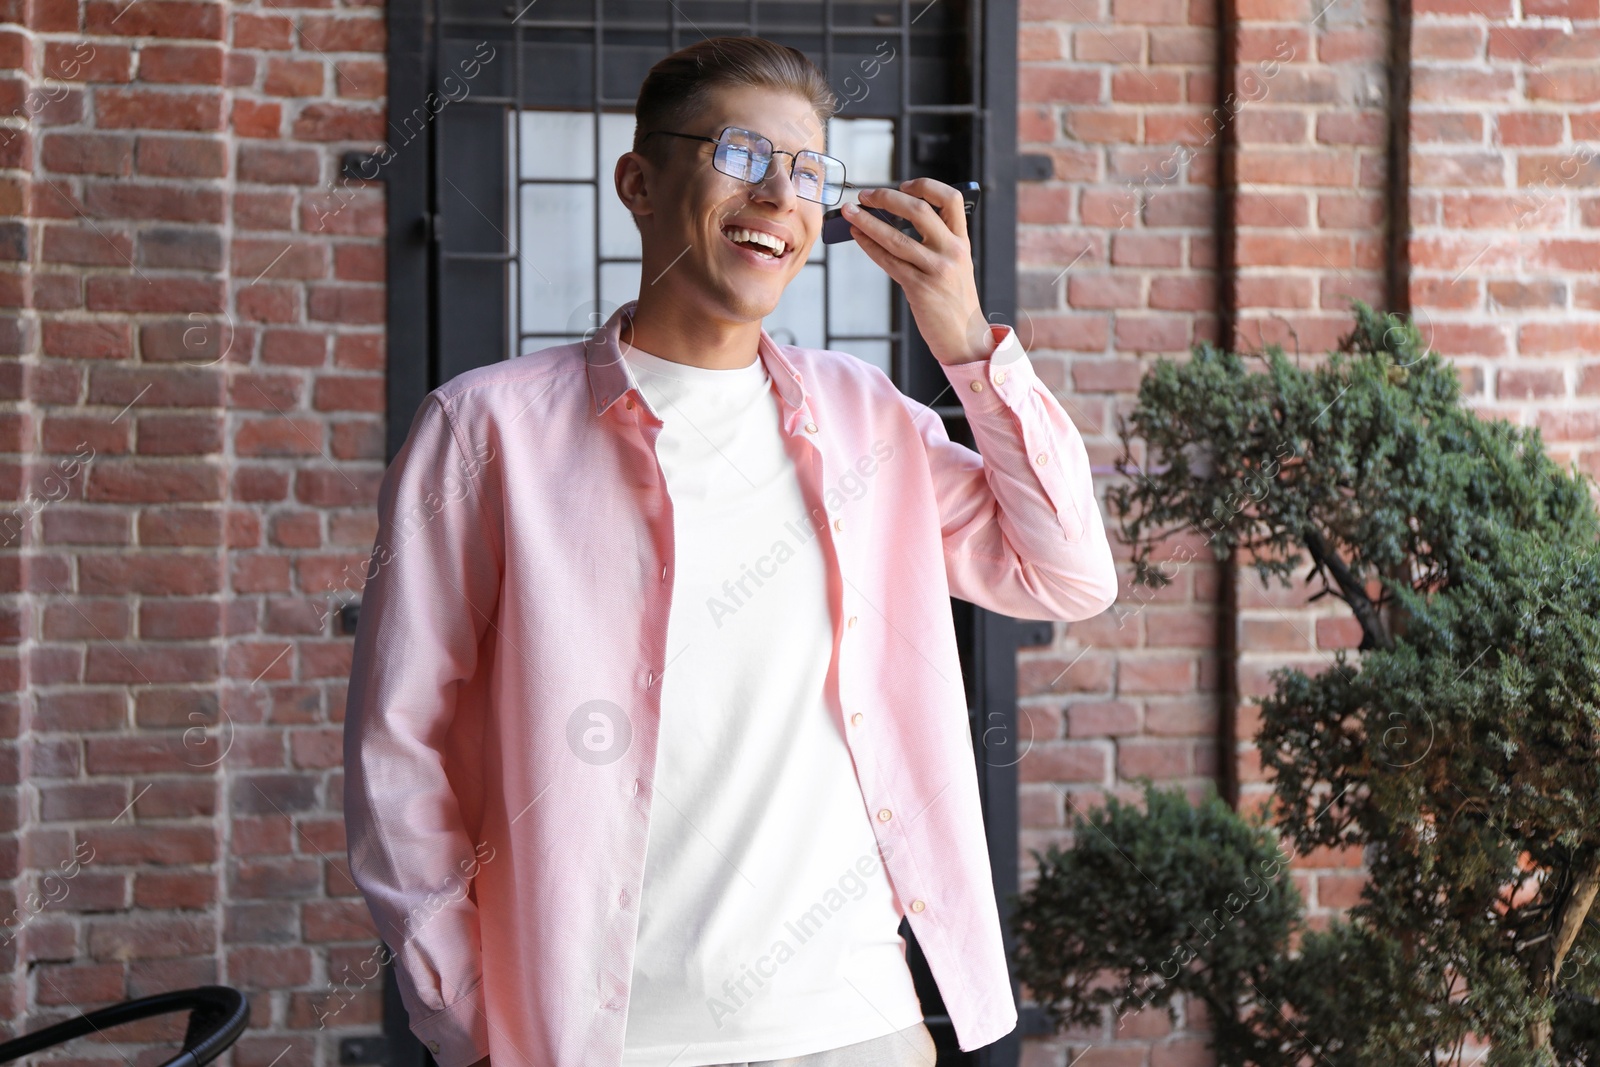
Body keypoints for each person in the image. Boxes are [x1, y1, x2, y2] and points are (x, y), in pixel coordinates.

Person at [343, 34, 1118, 1067]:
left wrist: (968, 340)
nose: (779, 198)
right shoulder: (488, 432)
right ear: (640, 180)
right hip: (594, 1036)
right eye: (743, 157)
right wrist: (468, 1016)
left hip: (855, 1026)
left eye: (809, 174)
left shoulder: (864, 422)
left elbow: (1064, 569)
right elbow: (400, 745)